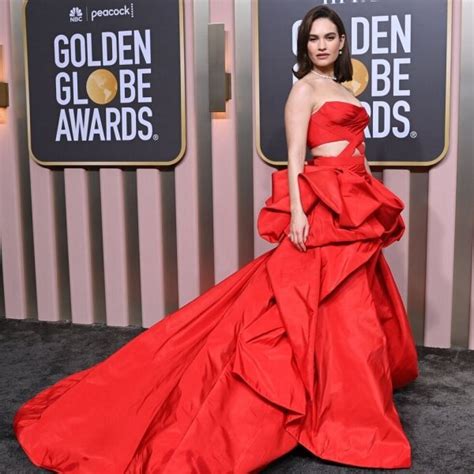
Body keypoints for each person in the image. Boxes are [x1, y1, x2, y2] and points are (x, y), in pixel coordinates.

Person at [13, 5, 419, 473]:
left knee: (351, 307)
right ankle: (325, 401)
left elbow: (358, 148)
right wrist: (299, 213)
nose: (322, 45)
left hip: (354, 199)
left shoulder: (343, 88)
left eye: (329, 37)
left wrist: (371, 190)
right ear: (305, 45)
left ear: (342, 43)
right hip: (324, 202)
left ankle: (343, 392)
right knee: (309, 304)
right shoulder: (303, 89)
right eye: (313, 39)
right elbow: (293, 158)